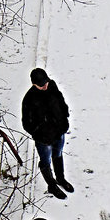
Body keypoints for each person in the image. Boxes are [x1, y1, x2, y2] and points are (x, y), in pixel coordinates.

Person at [21, 67, 73, 200]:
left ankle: (60, 179)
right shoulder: (29, 99)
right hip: (43, 139)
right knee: (45, 161)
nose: (45, 86)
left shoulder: (52, 86)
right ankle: (52, 185)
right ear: (34, 84)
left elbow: (61, 103)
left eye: (46, 83)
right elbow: (26, 123)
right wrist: (39, 134)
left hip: (59, 132)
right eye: (41, 85)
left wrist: (64, 118)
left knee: (58, 154)